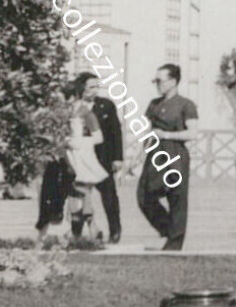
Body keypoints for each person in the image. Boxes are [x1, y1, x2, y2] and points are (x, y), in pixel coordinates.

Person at [131, 63, 199, 251]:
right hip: (155, 153)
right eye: (155, 80)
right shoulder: (153, 104)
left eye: (159, 80)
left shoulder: (186, 104)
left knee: (176, 198)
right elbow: (147, 131)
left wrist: (167, 135)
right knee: (144, 196)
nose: (157, 84)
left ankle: (174, 244)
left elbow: (193, 133)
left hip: (175, 153)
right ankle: (168, 229)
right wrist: (137, 155)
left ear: (173, 81)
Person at [79, 72, 126, 244]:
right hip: (82, 159)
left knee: (109, 195)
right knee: (80, 195)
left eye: (96, 86)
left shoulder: (106, 105)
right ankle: (80, 232)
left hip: (103, 158)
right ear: (82, 89)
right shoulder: (75, 107)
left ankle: (115, 230)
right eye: (91, 87)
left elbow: (115, 132)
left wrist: (117, 158)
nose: (94, 90)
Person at [64, 79, 111, 241]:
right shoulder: (63, 112)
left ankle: (86, 229)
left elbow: (99, 138)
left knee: (82, 191)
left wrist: (79, 142)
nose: (68, 101)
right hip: (67, 155)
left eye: (70, 96)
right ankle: (88, 228)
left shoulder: (86, 113)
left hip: (82, 155)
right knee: (73, 193)